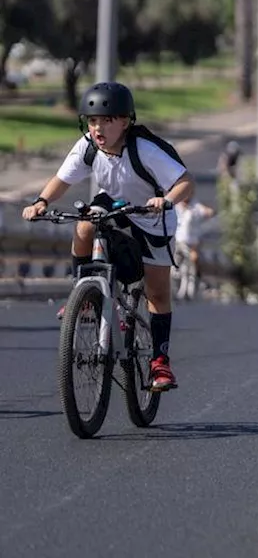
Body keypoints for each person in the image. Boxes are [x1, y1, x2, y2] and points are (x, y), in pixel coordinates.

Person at [23, 81, 192, 391]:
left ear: (125, 122)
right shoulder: (88, 146)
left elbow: (184, 183)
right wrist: (41, 202)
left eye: (107, 120)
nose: (98, 127)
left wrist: (165, 200)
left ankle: (159, 363)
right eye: (92, 120)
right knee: (84, 224)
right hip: (113, 202)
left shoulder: (145, 150)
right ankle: (83, 295)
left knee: (156, 292)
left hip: (151, 217)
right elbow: (62, 179)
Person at [173, 198, 216, 300]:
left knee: (192, 264)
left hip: (192, 243)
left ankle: (191, 289)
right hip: (177, 242)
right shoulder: (174, 205)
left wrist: (209, 212)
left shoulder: (195, 206)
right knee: (175, 267)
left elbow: (208, 211)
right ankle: (175, 290)